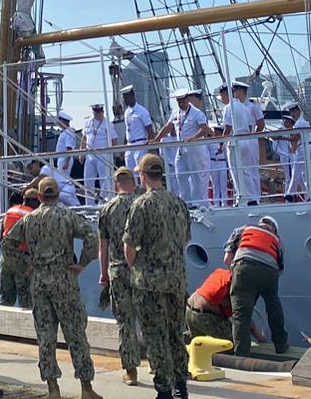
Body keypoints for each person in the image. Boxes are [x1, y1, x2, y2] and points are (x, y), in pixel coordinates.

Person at [8, 175, 100, 399]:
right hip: (64, 279)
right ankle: (86, 389)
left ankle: (53, 389)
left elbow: (7, 244)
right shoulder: (67, 216)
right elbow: (91, 235)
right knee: (75, 333)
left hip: (39, 281)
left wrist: (26, 267)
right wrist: (82, 263)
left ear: (39, 197)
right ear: (57, 196)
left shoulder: (29, 220)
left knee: (46, 336)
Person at [122, 152, 191, 399]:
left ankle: (163, 390)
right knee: (175, 333)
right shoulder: (179, 203)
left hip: (149, 282)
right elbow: (183, 242)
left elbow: (129, 247)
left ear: (142, 176)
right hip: (175, 280)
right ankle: (181, 386)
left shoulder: (140, 205)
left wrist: (134, 268)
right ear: (162, 174)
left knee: (155, 335)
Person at [97, 166, 143, 386]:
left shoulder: (107, 208)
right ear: (133, 182)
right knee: (148, 317)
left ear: (116, 184)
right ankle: (156, 363)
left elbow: (102, 246)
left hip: (117, 270)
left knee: (125, 322)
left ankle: (131, 371)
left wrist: (103, 274)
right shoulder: (142, 204)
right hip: (143, 270)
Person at [224, 215, 287, 355]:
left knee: (241, 314)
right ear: (274, 230)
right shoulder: (277, 241)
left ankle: (241, 353)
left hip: (244, 267)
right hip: (269, 272)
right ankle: (281, 345)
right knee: (273, 305)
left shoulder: (242, 230)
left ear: (260, 223)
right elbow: (280, 269)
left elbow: (227, 258)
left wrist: (237, 277)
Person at [0, 185, 39, 309]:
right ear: (35, 201)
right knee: (26, 301)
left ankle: (1, 326)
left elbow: (2, 235)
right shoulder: (32, 215)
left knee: (5, 300)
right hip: (22, 260)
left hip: (5, 259)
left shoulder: (10, 211)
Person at [227, 81, 264, 205]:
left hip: (250, 139)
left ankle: (255, 196)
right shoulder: (242, 106)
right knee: (243, 170)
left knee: (252, 170)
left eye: (235, 90)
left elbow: (261, 124)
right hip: (243, 138)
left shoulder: (252, 106)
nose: (234, 93)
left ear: (241, 91)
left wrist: (254, 136)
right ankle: (245, 196)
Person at [184, 267, 234, 343]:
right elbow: (243, 316)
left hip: (189, 310)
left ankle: (178, 343)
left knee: (195, 341)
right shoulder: (234, 284)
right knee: (233, 340)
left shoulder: (221, 273)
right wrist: (258, 337)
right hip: (204, 316)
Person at [283, 105, 311, 201]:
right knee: (306, 174)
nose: (292, 115)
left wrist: (281, 137)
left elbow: (295, 138)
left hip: (304, 148)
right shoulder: (304, 122)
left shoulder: (299, 123)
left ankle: (290, 193)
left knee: (296, 170)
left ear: (297, 111)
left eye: (292, 112)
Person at [121, 85, 154, 171]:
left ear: (132, 96)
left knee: (141, 170)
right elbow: (127, 130)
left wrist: (151, 148)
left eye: (126, 97)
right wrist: (123, 147)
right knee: (130, 172)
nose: (124, 100)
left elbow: (150, 129)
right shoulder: (127, 112)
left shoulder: (142, 111)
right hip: (129, 145)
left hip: (140, 144)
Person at [205, 125, 230, 207]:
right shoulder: (209, 142)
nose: (215, 132)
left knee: (223, 184)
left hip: (222, 162)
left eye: (217, 131)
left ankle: (224, 203)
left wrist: (228, 168)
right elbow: (207, 154)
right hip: (213, 162)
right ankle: (216, 203)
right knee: (215, 184)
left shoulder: (224, 142)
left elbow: (226, 155)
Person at [54, 110, 77, 180]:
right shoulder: (64, 132)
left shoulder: (68, 132)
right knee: (60, 178)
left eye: (60, 120)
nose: (58, 122)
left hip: (65, 158)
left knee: (62, 179)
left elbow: (69, 148)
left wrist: (66, 162)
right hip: (61, 158)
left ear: (64, 122)